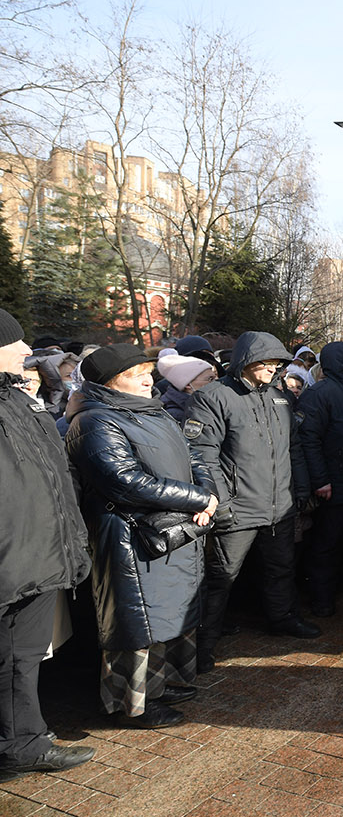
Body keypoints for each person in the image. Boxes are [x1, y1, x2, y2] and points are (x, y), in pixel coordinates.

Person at [66, 345, 217, 728]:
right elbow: (124, 481)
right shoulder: (95, 420)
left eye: (148, 371)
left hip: (171, 528)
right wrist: (197, 498)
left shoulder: (153, 410)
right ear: (110, 382)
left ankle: (165, 683)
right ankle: (132, 704)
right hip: (129, 536)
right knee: (138, 622)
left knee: (170, 611)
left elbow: (192, 456)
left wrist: (208, 494)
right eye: (136, 374)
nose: (148, 379)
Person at [185, 331, 321, 674]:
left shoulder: (278, 397)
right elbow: (202, 456)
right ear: (246, 361)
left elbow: (294, 449)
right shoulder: (213, 397)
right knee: (220, 579)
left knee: (281, 569)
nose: (273, 367)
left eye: (278, 362)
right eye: (267, 361)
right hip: (238, 507)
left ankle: (282, 618)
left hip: (279, 507)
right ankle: (202, 645)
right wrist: (222, 503)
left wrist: (299, 492)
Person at [0, 309, 95, 779]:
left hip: (38, 556)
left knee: (21, 657)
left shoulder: (19, 403)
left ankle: (23, 742)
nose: (25, 351)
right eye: (13, 343)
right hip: (13, 558)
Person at [296, 342, 343, 617]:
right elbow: (309, 440)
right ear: (339, 360)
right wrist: (320, 480)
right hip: (334, 484)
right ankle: (321, 597)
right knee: (326, 543)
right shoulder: (319, 394)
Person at [157, 353, 217, 425]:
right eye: (210, 379)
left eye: (216, 376)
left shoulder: (200, 402)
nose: (216, 382)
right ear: (188, 384)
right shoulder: (176, 414)